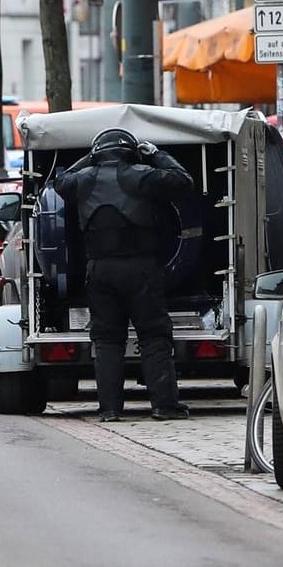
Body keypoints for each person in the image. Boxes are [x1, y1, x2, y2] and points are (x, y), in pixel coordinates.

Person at [52, 128, 193, 423]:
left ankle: (109, 409)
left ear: (97, 151)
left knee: (106, 339)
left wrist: (87, 159)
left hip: (99, 269)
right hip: (141, 268)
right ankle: (164, 405)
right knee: (154, 335)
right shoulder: (141, 174)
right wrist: (157, 154)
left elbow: (59, 182)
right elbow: (183, 181)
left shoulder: (81, 180)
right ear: (131, 151)